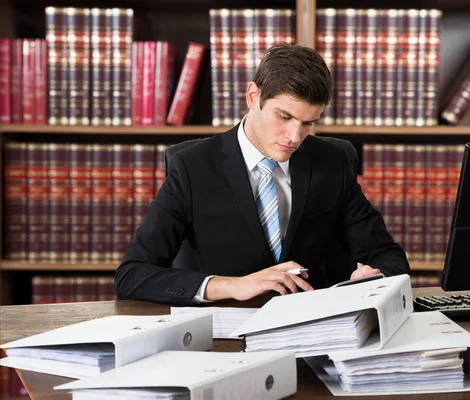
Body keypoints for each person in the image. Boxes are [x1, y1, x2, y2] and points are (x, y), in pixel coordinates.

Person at [115, 44, 409, 306]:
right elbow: (133, 275)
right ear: (253, 96)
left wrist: (373, 277)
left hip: (314, 328)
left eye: (308, 123)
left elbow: (388, 256)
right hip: (225, 332)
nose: (295, 136)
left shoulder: (333, 162)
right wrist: (232, 285)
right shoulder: (192, 167)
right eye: (284, 117)